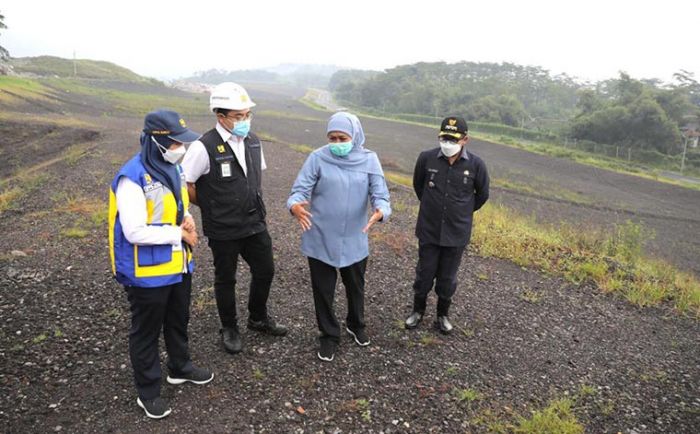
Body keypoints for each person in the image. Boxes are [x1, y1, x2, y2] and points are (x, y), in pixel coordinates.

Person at [108, 109, 213, 419]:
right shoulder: (133, 177)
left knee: (178, 319)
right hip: (146, 272)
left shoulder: (172, 170)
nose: (181, 149)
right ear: (157, 141)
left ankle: (180, 367)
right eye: (176, 143)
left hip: (178, 264)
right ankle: (148, 391)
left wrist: (189, 221)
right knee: (146, 331)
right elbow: (134, 230)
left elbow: (178, 205)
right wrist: (177, 233)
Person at [180, 82, 287, 355]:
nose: (244, 120)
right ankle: (229, 327)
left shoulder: (253, 141)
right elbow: (187, 184)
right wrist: (211, 205)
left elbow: (253, 178)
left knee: (266, 270)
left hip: (254, 222)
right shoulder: (203, 147)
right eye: (238, 116)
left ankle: (258, 317)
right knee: (225, 277)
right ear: (220, 116)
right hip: (223, 227)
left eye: (247, 114)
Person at [287, 112, 391, 362]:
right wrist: (295, 206)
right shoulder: (318, 158)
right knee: (323, 289)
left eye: (342, 137)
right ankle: (328, 334)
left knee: (355, 286)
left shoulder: (369, 160)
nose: (337, 142)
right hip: (320, 235)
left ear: (354, 136)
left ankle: (356, 324)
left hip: (356, 237)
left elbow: (381, 195)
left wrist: (381, 211)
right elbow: (299, 190)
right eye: (332, 138)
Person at [405, 116, 490, 334]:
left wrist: (460, 211)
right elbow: (419, 187)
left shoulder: (476, 165)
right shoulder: (426, 159)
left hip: (456, 232)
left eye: (453, 139)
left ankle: (442, 315)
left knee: (447, 277)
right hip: (429, 229)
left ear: (465, 140)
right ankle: (418, 312)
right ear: (439, 136)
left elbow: (482, 195)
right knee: (424, 273)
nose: (447, 143)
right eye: (444, 137)